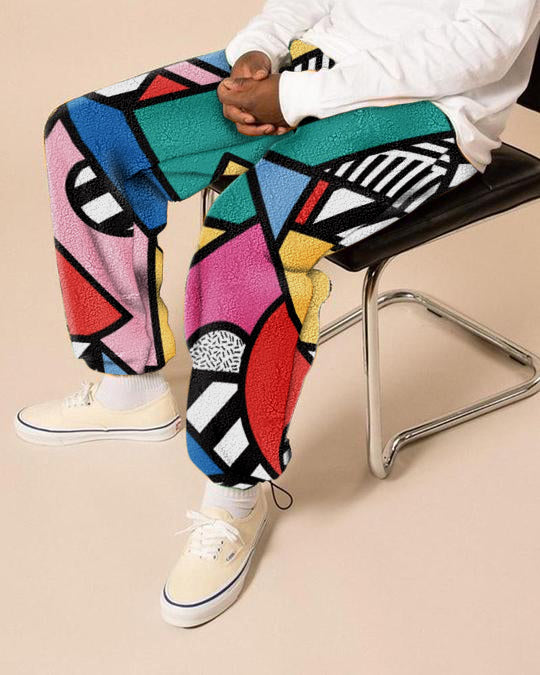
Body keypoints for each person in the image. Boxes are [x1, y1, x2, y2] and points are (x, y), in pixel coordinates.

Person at [14, 0, 540, 627]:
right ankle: (129, 384)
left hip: (430, 114)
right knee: (87, 133)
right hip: (311, 69)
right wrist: (257, 52)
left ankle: (234, 494)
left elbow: (484, 44)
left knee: (247, 231)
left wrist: (297, 96)